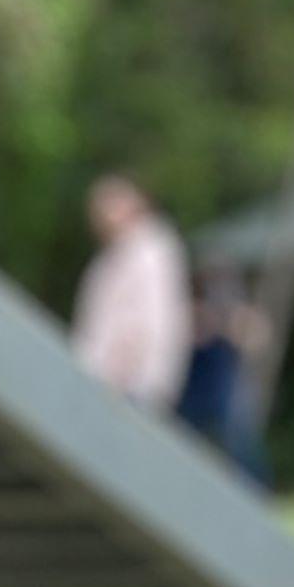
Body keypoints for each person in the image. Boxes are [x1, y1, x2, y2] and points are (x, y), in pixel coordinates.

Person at [71, 173, 192, 413]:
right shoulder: (116, 255)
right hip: (106, 381)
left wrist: (127, 375)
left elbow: (151, 321)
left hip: (128, 386)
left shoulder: (150, 253)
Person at [176, 261, 274, 484]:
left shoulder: (234, 313)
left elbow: (257, 338)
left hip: (224, 399)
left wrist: (224, 323)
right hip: (193, 398)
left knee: (241, 452)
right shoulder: (186, 309)